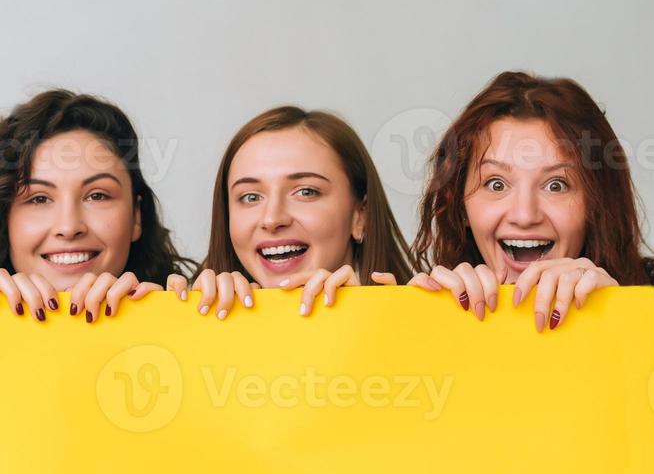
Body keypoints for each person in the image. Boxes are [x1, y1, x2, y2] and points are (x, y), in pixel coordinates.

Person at [407, 71, 654, 330]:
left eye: (556, 185)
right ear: (461, 207)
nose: (524, 216)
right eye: (497, 184)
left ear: (596, 205)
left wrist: (625, 317)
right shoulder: (435, 313)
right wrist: (402, 328)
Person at [167, 105, 414, 316]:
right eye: (251, 197)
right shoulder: (192, 333)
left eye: (306, 192)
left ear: (361, 214)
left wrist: (379, 322)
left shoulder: (421, 327)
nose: (273, 218)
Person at [0, 89, 193, 321]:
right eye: (39, 198)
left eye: (97, 196)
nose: (69, 227)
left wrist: (170, 325)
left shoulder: (184, 320)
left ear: (136, 217)